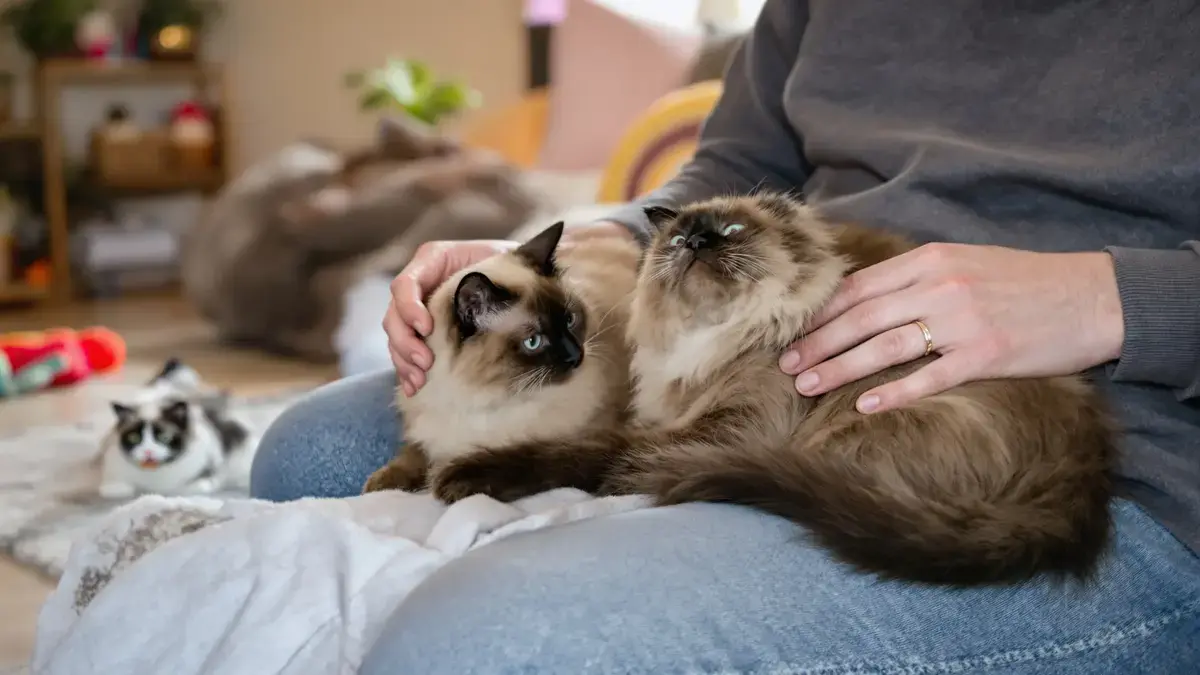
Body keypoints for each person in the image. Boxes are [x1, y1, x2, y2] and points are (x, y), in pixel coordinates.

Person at [251, 1, 1200, 671]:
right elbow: (730, 168)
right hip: (766, 327)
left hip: (1093, 458)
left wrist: (1107, 298)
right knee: (312, 452)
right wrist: (554, 257)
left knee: (487, 640)